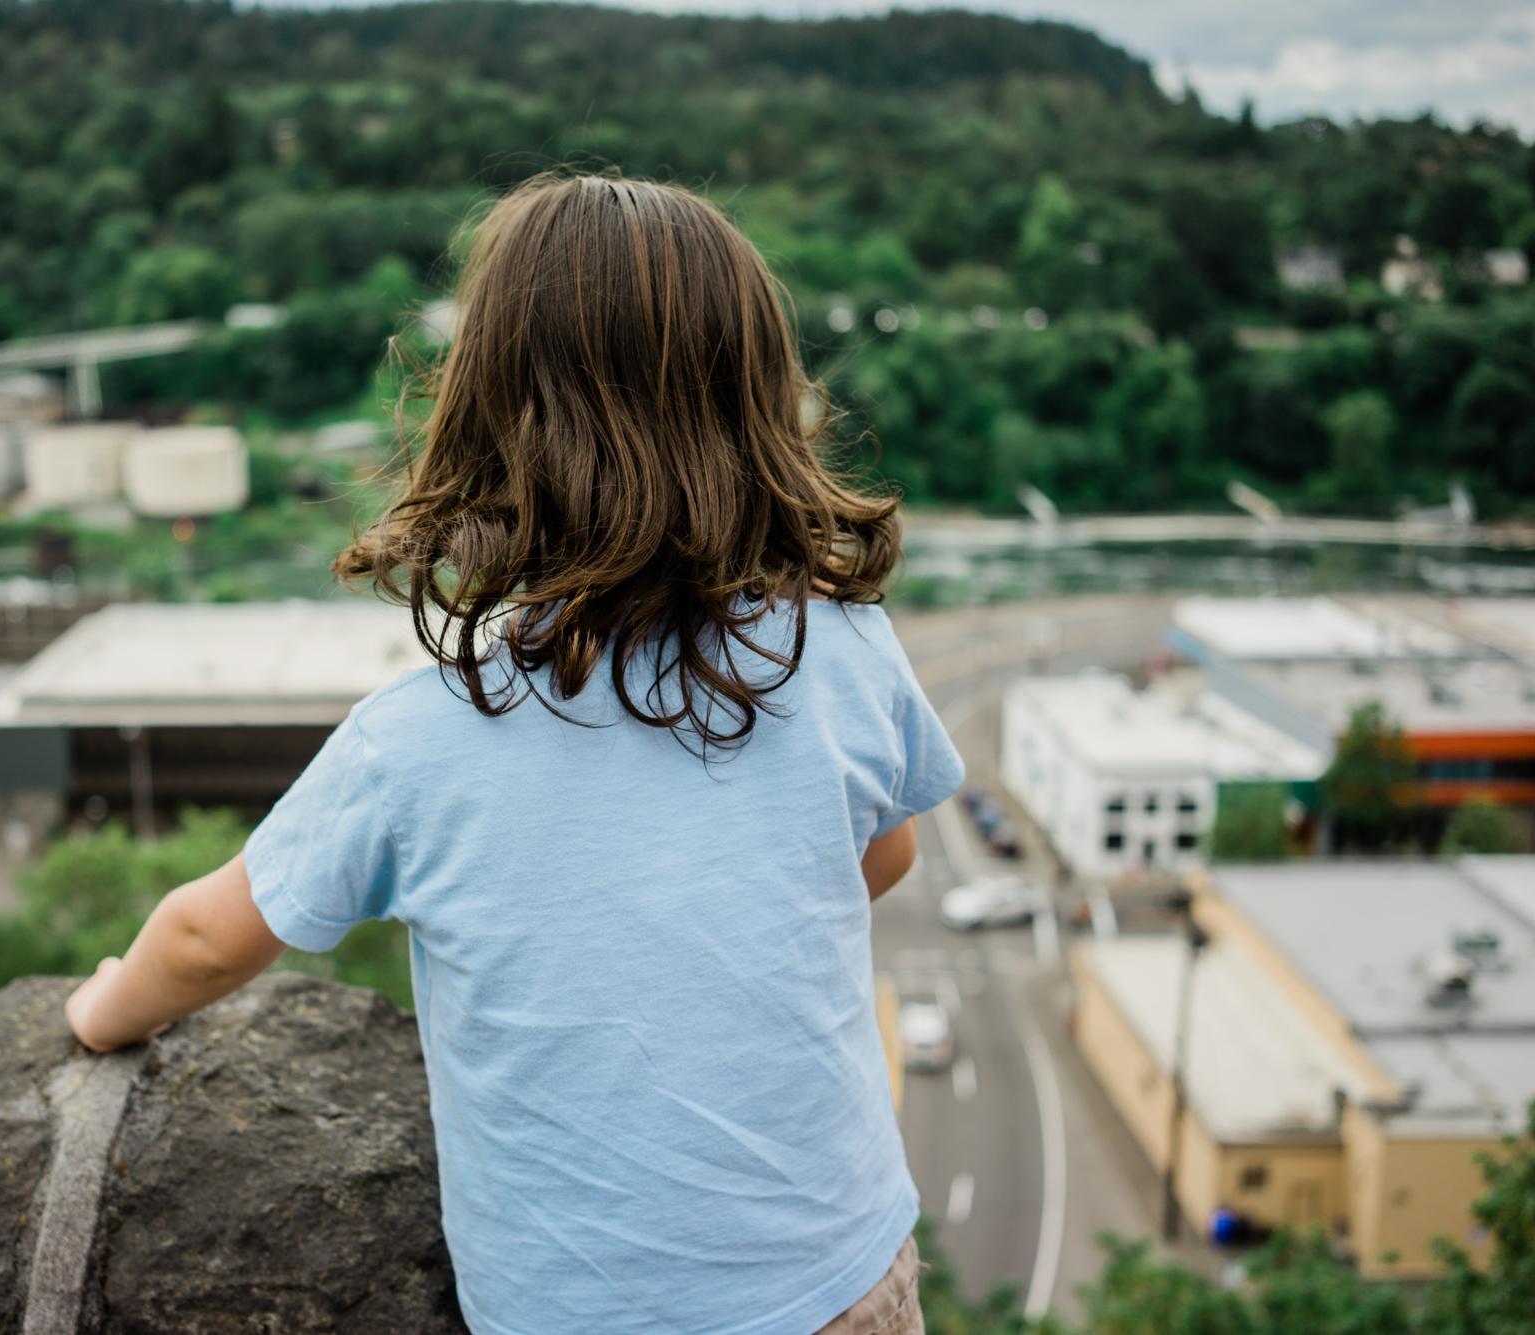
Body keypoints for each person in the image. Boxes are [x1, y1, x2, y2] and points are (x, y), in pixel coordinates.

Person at [64, 173, 964, 1335]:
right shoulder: (841, 652)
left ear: (488, 421)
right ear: (756, 407)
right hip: (841, 1278)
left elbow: (201, 938)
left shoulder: (418, 741)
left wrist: (101, 1016)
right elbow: (880, 861)